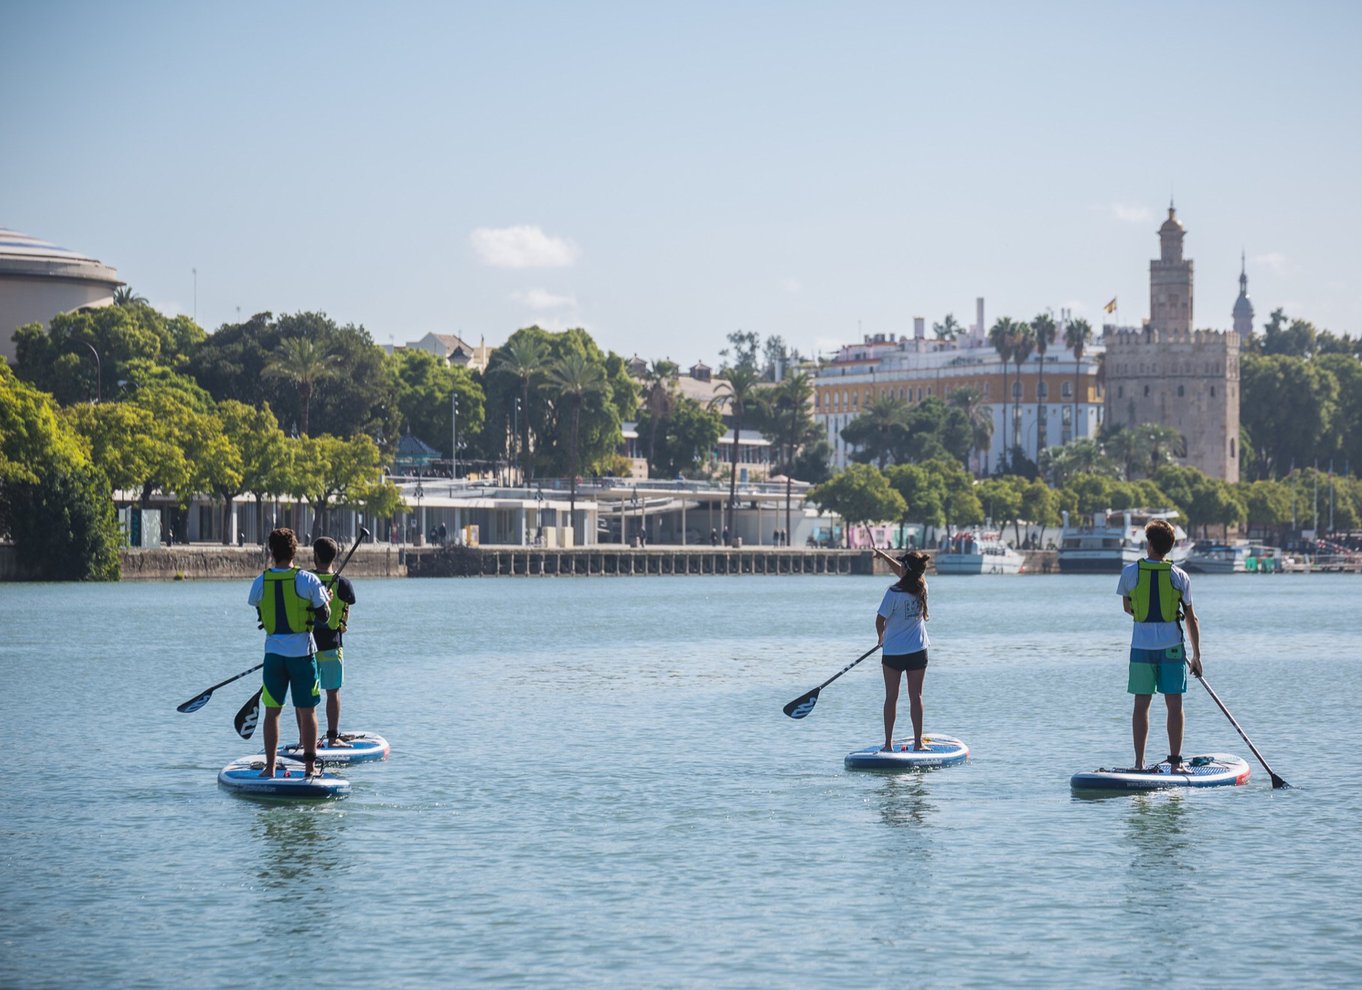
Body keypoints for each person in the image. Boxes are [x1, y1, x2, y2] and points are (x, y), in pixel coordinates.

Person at [1117, 518, 1202, 772]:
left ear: (1150, 544)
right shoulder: (1180, 576)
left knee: (1141, 705)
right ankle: (1176, 764)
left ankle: (1139, 764)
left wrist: (1148, 618)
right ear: (1170, 547)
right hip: (1172, 647)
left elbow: (1128, 607)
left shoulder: (1129, 573)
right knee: (1174, 705)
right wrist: (1197, 656)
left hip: (1141, 647)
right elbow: (1191, 618)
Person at [247, 528, 330, 778]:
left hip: (273, 655)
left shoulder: (260, 581)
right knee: (308, 711)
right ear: (295, 550)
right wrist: (326, 600)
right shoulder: (308, 580)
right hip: (302, 655)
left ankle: (270, 768)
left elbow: (256, 604)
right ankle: (309, 767)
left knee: (272, 712)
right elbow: (324, 617)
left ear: (271, 552)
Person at [871, 548, 932, 752]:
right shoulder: (922, 586)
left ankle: (888, 745)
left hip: (893, 653)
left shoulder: (893, 593)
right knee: (916, 697)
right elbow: (906, 573)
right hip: (917, 651)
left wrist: (881, 638)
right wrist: (885, 557)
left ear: (906, 568)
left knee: (891, 697)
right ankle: (918, 744)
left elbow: (880, 620)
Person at [311, 536, 357, 749]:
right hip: (331, 644)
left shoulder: (305, 580)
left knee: (306, 694)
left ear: (316, 556)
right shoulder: (344, 584)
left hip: (307, 646)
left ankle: (306, 739)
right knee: (333, 691)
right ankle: (332, 737)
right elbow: (346, 611)